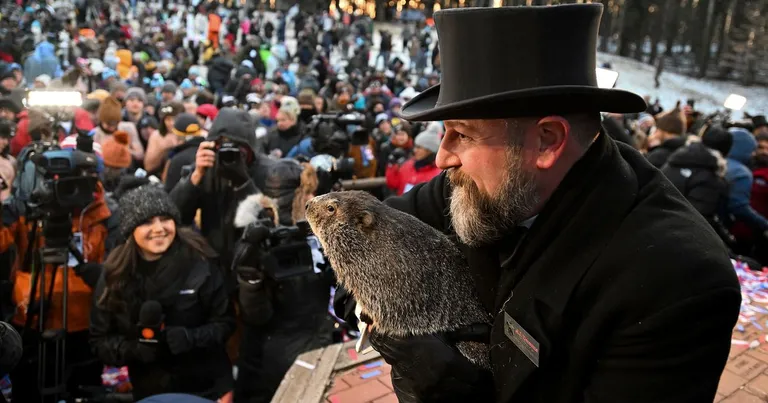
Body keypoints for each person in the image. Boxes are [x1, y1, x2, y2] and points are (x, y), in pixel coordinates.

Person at [354, 5, 740, 402]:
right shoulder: (482, 183)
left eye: (464, 135)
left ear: (547, 141)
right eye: (445, 133)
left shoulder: (676, 282)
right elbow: (375, 229)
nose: (442, 157)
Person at [90, 184, 235, 401]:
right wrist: (135, 350)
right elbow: (99, 340)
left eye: (165, 219)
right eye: (147, 222)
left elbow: (226, 322)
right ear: (131, 229)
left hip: (208, 386)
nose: (159, 229)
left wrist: (191, 338)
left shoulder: (201, 260)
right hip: (150, 390)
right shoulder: (115, 275)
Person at [386, 127, 441, 196]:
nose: (415, 150)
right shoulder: (408, 165)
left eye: (419, 147)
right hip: (401, 205)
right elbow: (393, 184)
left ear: (429, 151)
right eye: (415, 146)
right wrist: (391, 165)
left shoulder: (437, 174)